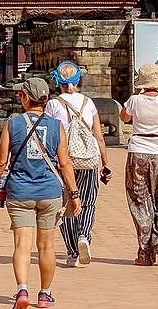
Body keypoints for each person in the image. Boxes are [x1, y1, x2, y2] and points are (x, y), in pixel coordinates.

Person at [0, 77, 81, 309]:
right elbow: (66, 163)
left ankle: (22, 291)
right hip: (49, 192)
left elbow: (1, 160)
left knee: (22, 245)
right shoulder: (56, 126)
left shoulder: (12, 124)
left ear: (25, 98)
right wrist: (75, 193)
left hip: (20, 191)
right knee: (47, 247)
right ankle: (45, 294)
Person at [44, 61, 109, 268]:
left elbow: (46, 135)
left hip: (64, 161)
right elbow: (98, 137)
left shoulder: (54, 104)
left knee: (67, 205)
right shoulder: (88, 103)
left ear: (59, 81)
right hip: (89, 160)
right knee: (88, 202)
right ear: (77, 80)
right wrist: (105, 162)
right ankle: (84, 235)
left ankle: (73, 252)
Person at [119, 64, 158, 266]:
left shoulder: (135, 100)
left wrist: (135, 93)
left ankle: (145, 252)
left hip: (138, 151)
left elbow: (123, 118)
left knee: (139, 200)